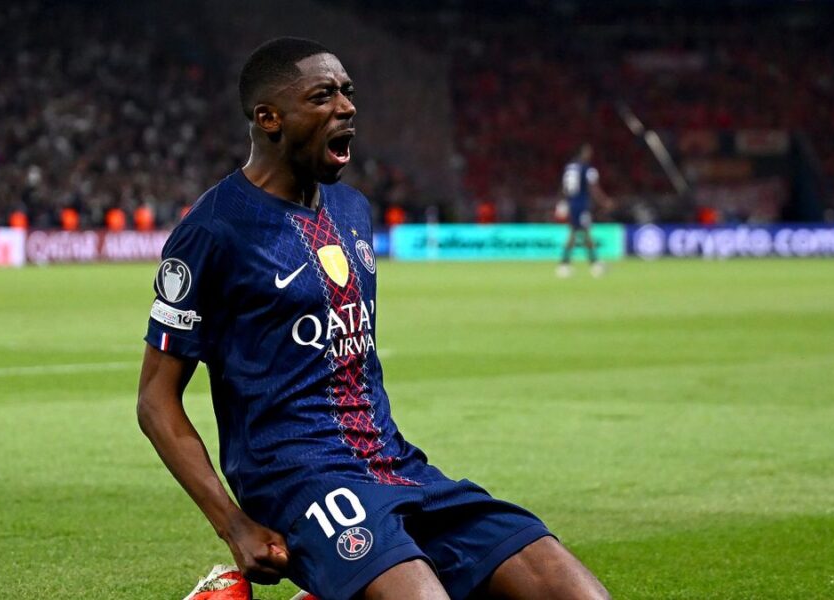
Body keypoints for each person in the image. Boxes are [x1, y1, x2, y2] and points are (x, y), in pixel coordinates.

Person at [138, 37, 610, 600]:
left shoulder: (352, 210)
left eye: (347, 92)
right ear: (269, 118)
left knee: (576, 591)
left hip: (395, 464)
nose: (346, 107)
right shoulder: (213, 231)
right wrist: (233, 523)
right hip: (295, 477)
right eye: (322, 96)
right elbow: (155, 401)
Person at [556, 144, 611, 278]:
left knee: (577, 232)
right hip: (581, 204)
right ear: (584, 153)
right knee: (582, 232)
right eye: (588, 152)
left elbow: (564, 187)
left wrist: (562, 202)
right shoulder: (587, 169)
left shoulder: (569, 167)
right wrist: (604, 201)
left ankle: (568, 264)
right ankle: (591, 264)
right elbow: (593, 187)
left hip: (571, 203)